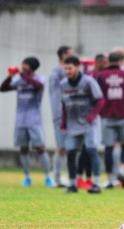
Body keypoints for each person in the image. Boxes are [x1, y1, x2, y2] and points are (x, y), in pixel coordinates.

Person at [0, 57, 52, 187]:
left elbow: (39, 86)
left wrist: (23, 75)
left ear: (33, 67)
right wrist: (10, 77)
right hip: (20, 120)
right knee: (23, 149)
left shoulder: (40, 78)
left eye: (26, 65)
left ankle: (48, 177)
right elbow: (2, 88)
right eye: (22, 65)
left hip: (34, 120)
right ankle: (27, 177)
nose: (23, 67)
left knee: (40, 148)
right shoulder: (19, 80)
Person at [60, 56, 106, 194]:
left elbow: (100, 100)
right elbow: (64, 105)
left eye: (70, 68)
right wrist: (63, 123)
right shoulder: (63, 84)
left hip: (87, 123)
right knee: (71, 153)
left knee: (91, 151)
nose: (67, 71)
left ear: (77, 67)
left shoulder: (88, 81)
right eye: (65, 68)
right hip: (72, 123)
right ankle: (72, 184)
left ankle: (96, 184)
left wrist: (91, 116)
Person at [96, 52, 124, 189]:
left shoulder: (101, 76)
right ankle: (121, 170)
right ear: (120, 61)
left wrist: (101, 111)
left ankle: (110, 179)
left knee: (108, 147)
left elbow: (97, 95)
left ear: (108, 61)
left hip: (107, 116)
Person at [49, 45, 74, 188]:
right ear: (63, 55)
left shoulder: (65, 71)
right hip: (61, 114)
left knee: (67, 146)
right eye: (70, 54)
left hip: (68, 114)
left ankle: (60, 176)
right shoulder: (57, 72)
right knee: (61, 146)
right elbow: (56, 95)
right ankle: (57, 177)